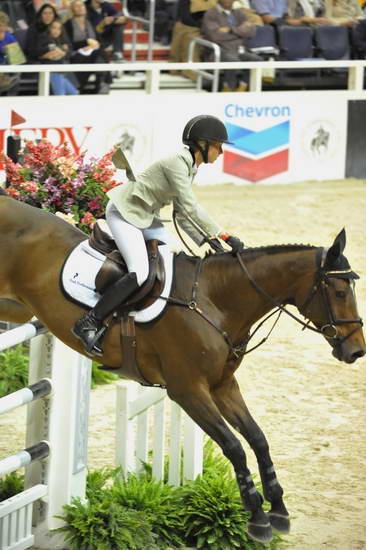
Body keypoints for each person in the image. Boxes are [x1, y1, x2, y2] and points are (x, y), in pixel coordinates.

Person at [72, 115, 245, 356]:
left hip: (145, 217)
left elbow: (182, 215)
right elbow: (189, 206)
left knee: (170, 262)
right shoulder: (176, 163)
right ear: (202, 145)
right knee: (140, 272)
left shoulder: (189, 167)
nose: (222, 152)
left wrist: (211, 242)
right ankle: (90, 321)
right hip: (125, 213)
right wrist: (223, 235)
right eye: (218, 145)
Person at [201, 0, 263, 91]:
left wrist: (230, 30)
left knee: (257, 60)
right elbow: (216, 36)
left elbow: (251, 32)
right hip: (220, 50)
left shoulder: (239, 13)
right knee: (232, 60)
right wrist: (240, 32)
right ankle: (228, 88)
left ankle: (243, 87)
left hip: (239, 50)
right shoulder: (210, 14)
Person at [64, 0, 112, 93]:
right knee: (98, 55)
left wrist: (93, 46)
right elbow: (69, 44)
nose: (80, 8)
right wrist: (85, 43)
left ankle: (102, 83)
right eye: (77, 6)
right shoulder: (67, 24)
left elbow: (98, 41)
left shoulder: (91, 22)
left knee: (99, 52)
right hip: (76, 53)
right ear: (72, 9)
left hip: (93, 52)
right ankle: (104, 82)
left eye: (82, 6)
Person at [37, 19, 79, 94]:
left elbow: (69, 52)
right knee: (60, 94)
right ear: (49, 28)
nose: (56, 31)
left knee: (74, 93)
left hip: (61, 70)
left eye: (59, 29)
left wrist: (63, 52)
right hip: (52, 70)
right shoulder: (43, 38)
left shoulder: (61, 39)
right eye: (54, 28)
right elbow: (37, 52)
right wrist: (56, 50)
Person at [0, 11, 21, 95]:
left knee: (17, 77)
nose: (2, 28)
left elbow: (17, 59)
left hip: (7, 71)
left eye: (4, 25)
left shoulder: (9, 37)